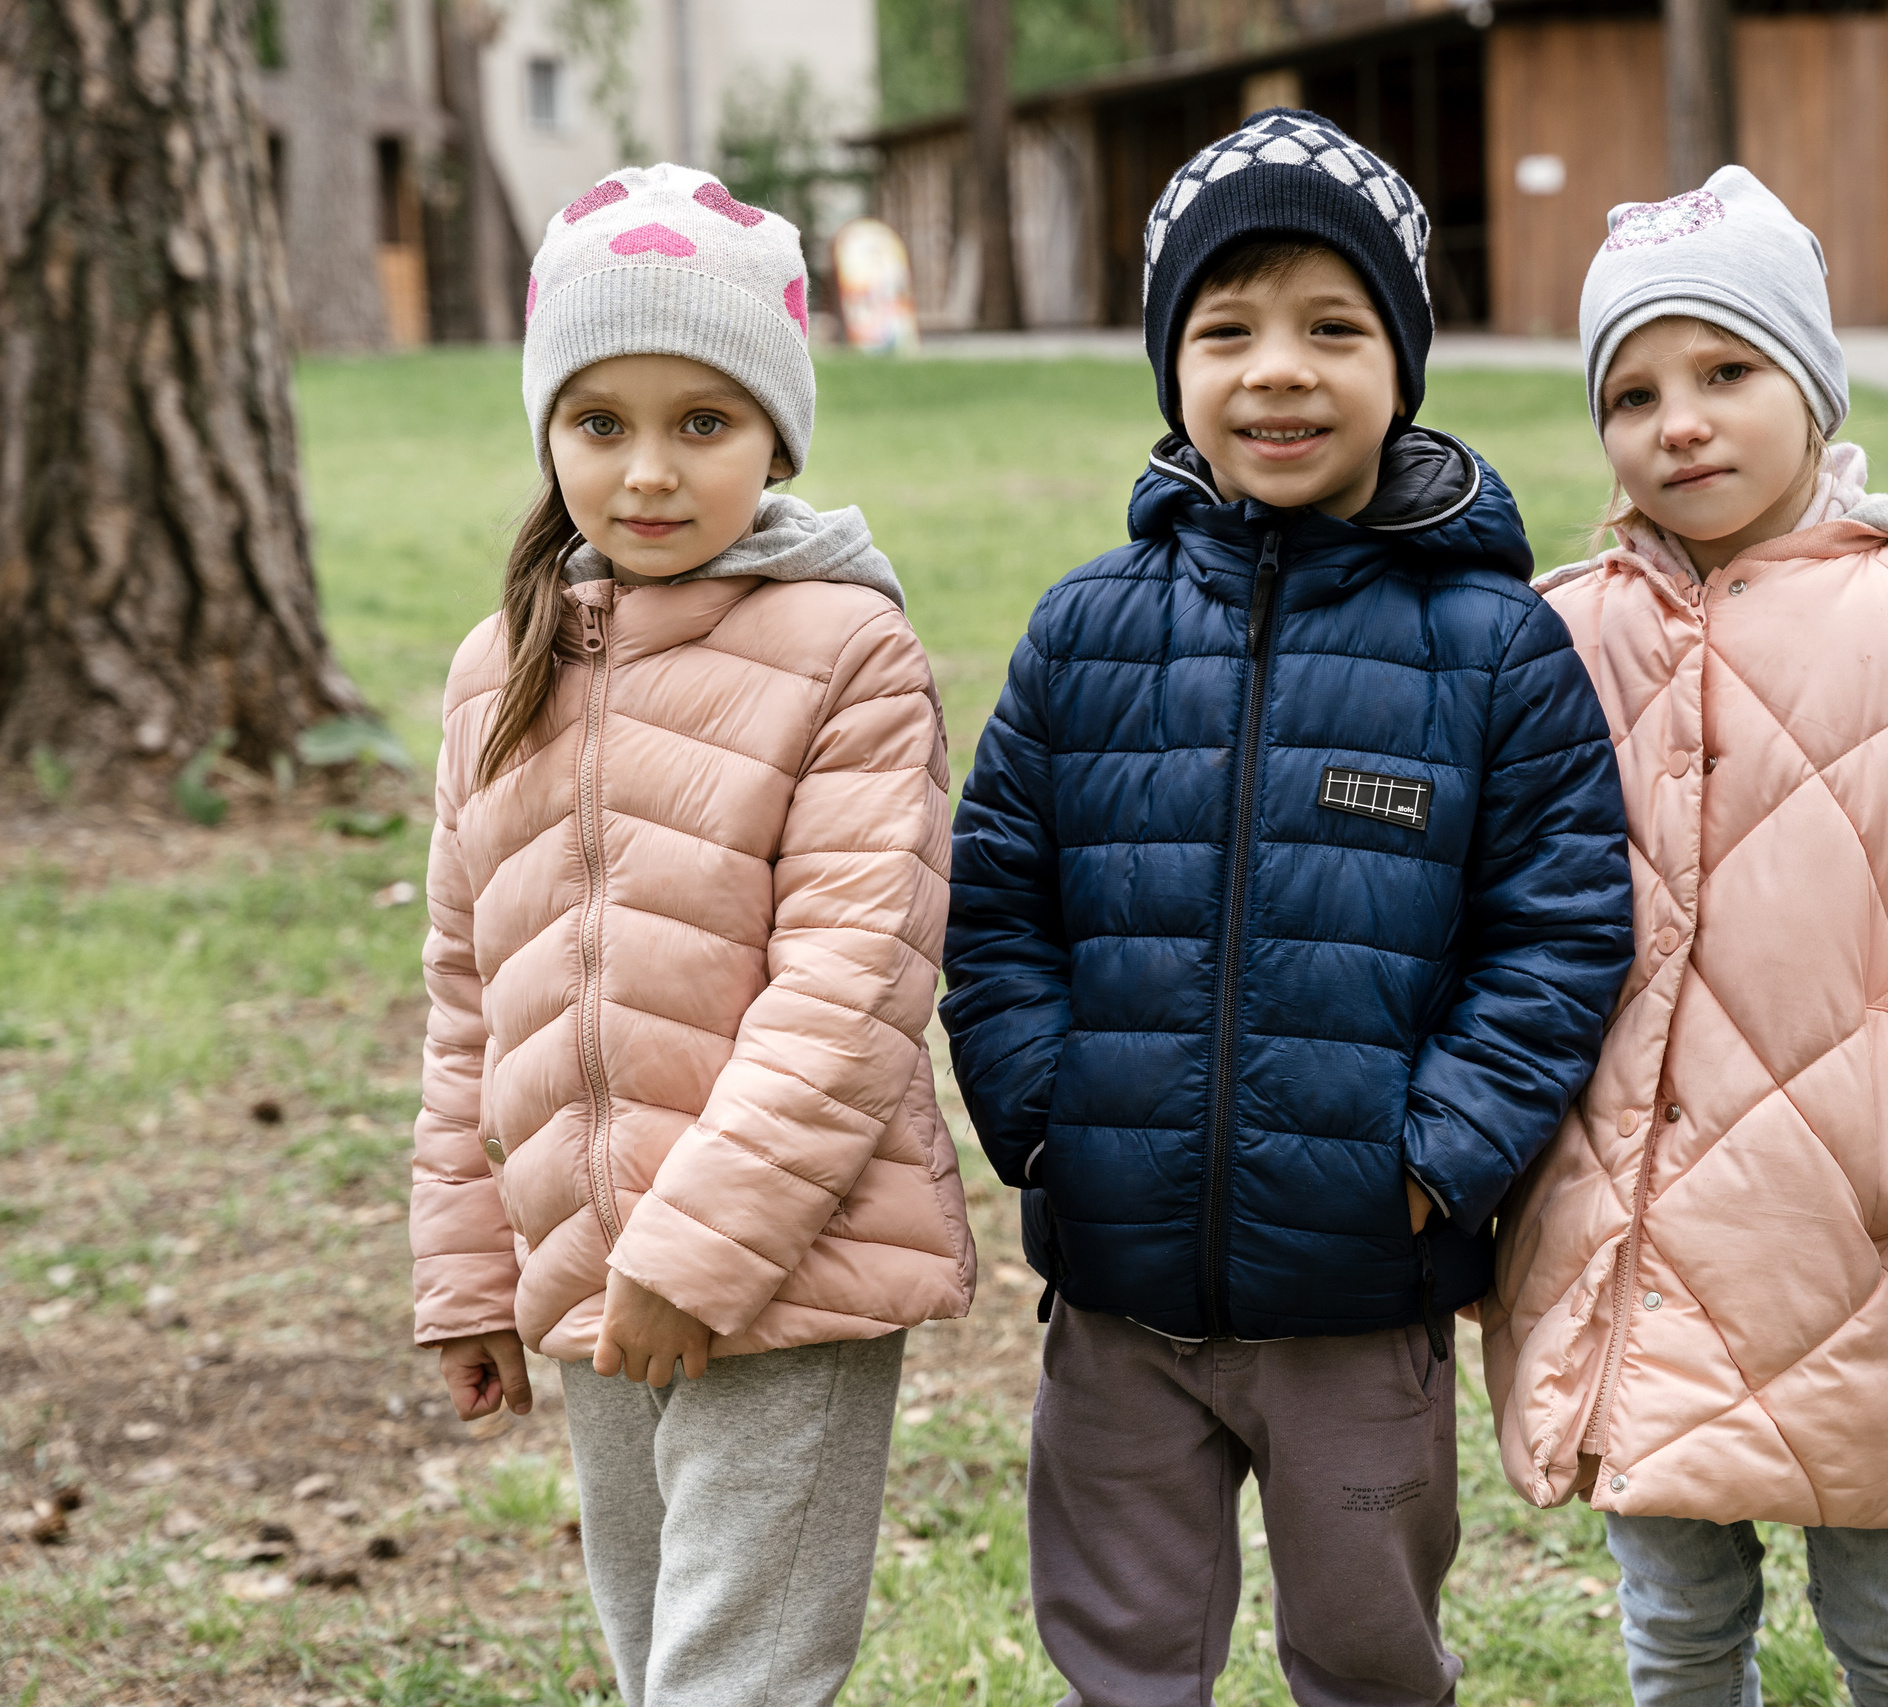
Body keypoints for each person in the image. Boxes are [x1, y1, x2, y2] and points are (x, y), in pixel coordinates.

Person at [938, 109, 1634, 1707]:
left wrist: (1438, 1150)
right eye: (1227, 328)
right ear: (1172, 366)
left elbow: (1561, 926)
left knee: (1371, 1641)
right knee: (1117, 1634)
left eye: (1335, 328)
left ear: (1402, 366)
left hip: (1359, 1284)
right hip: (1117, 1285)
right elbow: (997, 902)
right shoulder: (1086, 631)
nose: (1279, 371)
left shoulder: (1490, 641)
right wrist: (1045, 1115)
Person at [1482, 166, 1888, 1707]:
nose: (1681, 422)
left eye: (1728, 371)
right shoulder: (1564, 631)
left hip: (1846, 1224)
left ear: (1816, 386)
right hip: (1624, 1219)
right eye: (1634, 390)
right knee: (1673, 1598)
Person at [408, 162, 974, 1707]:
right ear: (547, 431)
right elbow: (474, 996)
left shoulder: (846, 651)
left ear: (777, 433)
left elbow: (853, 985)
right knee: (655, 1649)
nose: (648, 471)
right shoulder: (497, 669)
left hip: (781, 1262)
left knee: (735, 1674)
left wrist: (697, 1249)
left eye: (702, 422)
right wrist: (471, 1269)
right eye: (601, 422)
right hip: (582, 1265)